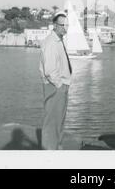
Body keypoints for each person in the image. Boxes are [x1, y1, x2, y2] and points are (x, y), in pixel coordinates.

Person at [38, 12, 72, 150]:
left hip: (59, 86)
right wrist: (60, 85)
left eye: (67, 25)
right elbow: (50, 71)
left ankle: (55, 148)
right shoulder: (51, 42)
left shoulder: (58, 40)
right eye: (62, 25)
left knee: (58, 120)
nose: (65, 28)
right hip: (55, 86)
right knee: (52, 121)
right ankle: (49, 153)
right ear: (55, 25)